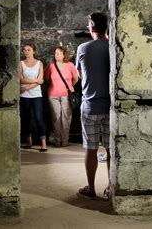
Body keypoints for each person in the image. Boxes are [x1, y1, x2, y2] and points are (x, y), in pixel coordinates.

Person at [75, 12, 111, 201]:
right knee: (110, 149)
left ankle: (91, 188)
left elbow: (80, 75)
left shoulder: (83, 48)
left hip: (90, 106)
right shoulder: (113, 48)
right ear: (107, 27)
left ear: (91, 27)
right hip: (110, 107)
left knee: (91, 149)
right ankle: (111, 185)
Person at [45, 46, 79, 147]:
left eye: (59, 53)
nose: (56, 55)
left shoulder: (70, 65)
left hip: (66, 95)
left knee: (66, 118)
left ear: (64, 54)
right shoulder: (51, 66)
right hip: (53, 95)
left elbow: (75, 79)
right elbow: (47, 79)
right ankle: (57, 141)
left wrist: (69, 87)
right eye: (55, 53)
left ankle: (64, 141)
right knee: (56, 118)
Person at [20, 44, 47, 152]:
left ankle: (43, 144)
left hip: (36, 95)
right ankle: (28, 142)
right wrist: (36, 81)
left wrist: (26, 88)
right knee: (26, 119)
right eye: (24, 50)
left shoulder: (39, 63)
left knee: (39, 119)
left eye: (29, 50)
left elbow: (41, 79)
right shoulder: (21, 63)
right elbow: (21, 80)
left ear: (33, 51)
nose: (26, 52)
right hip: (24, 96)